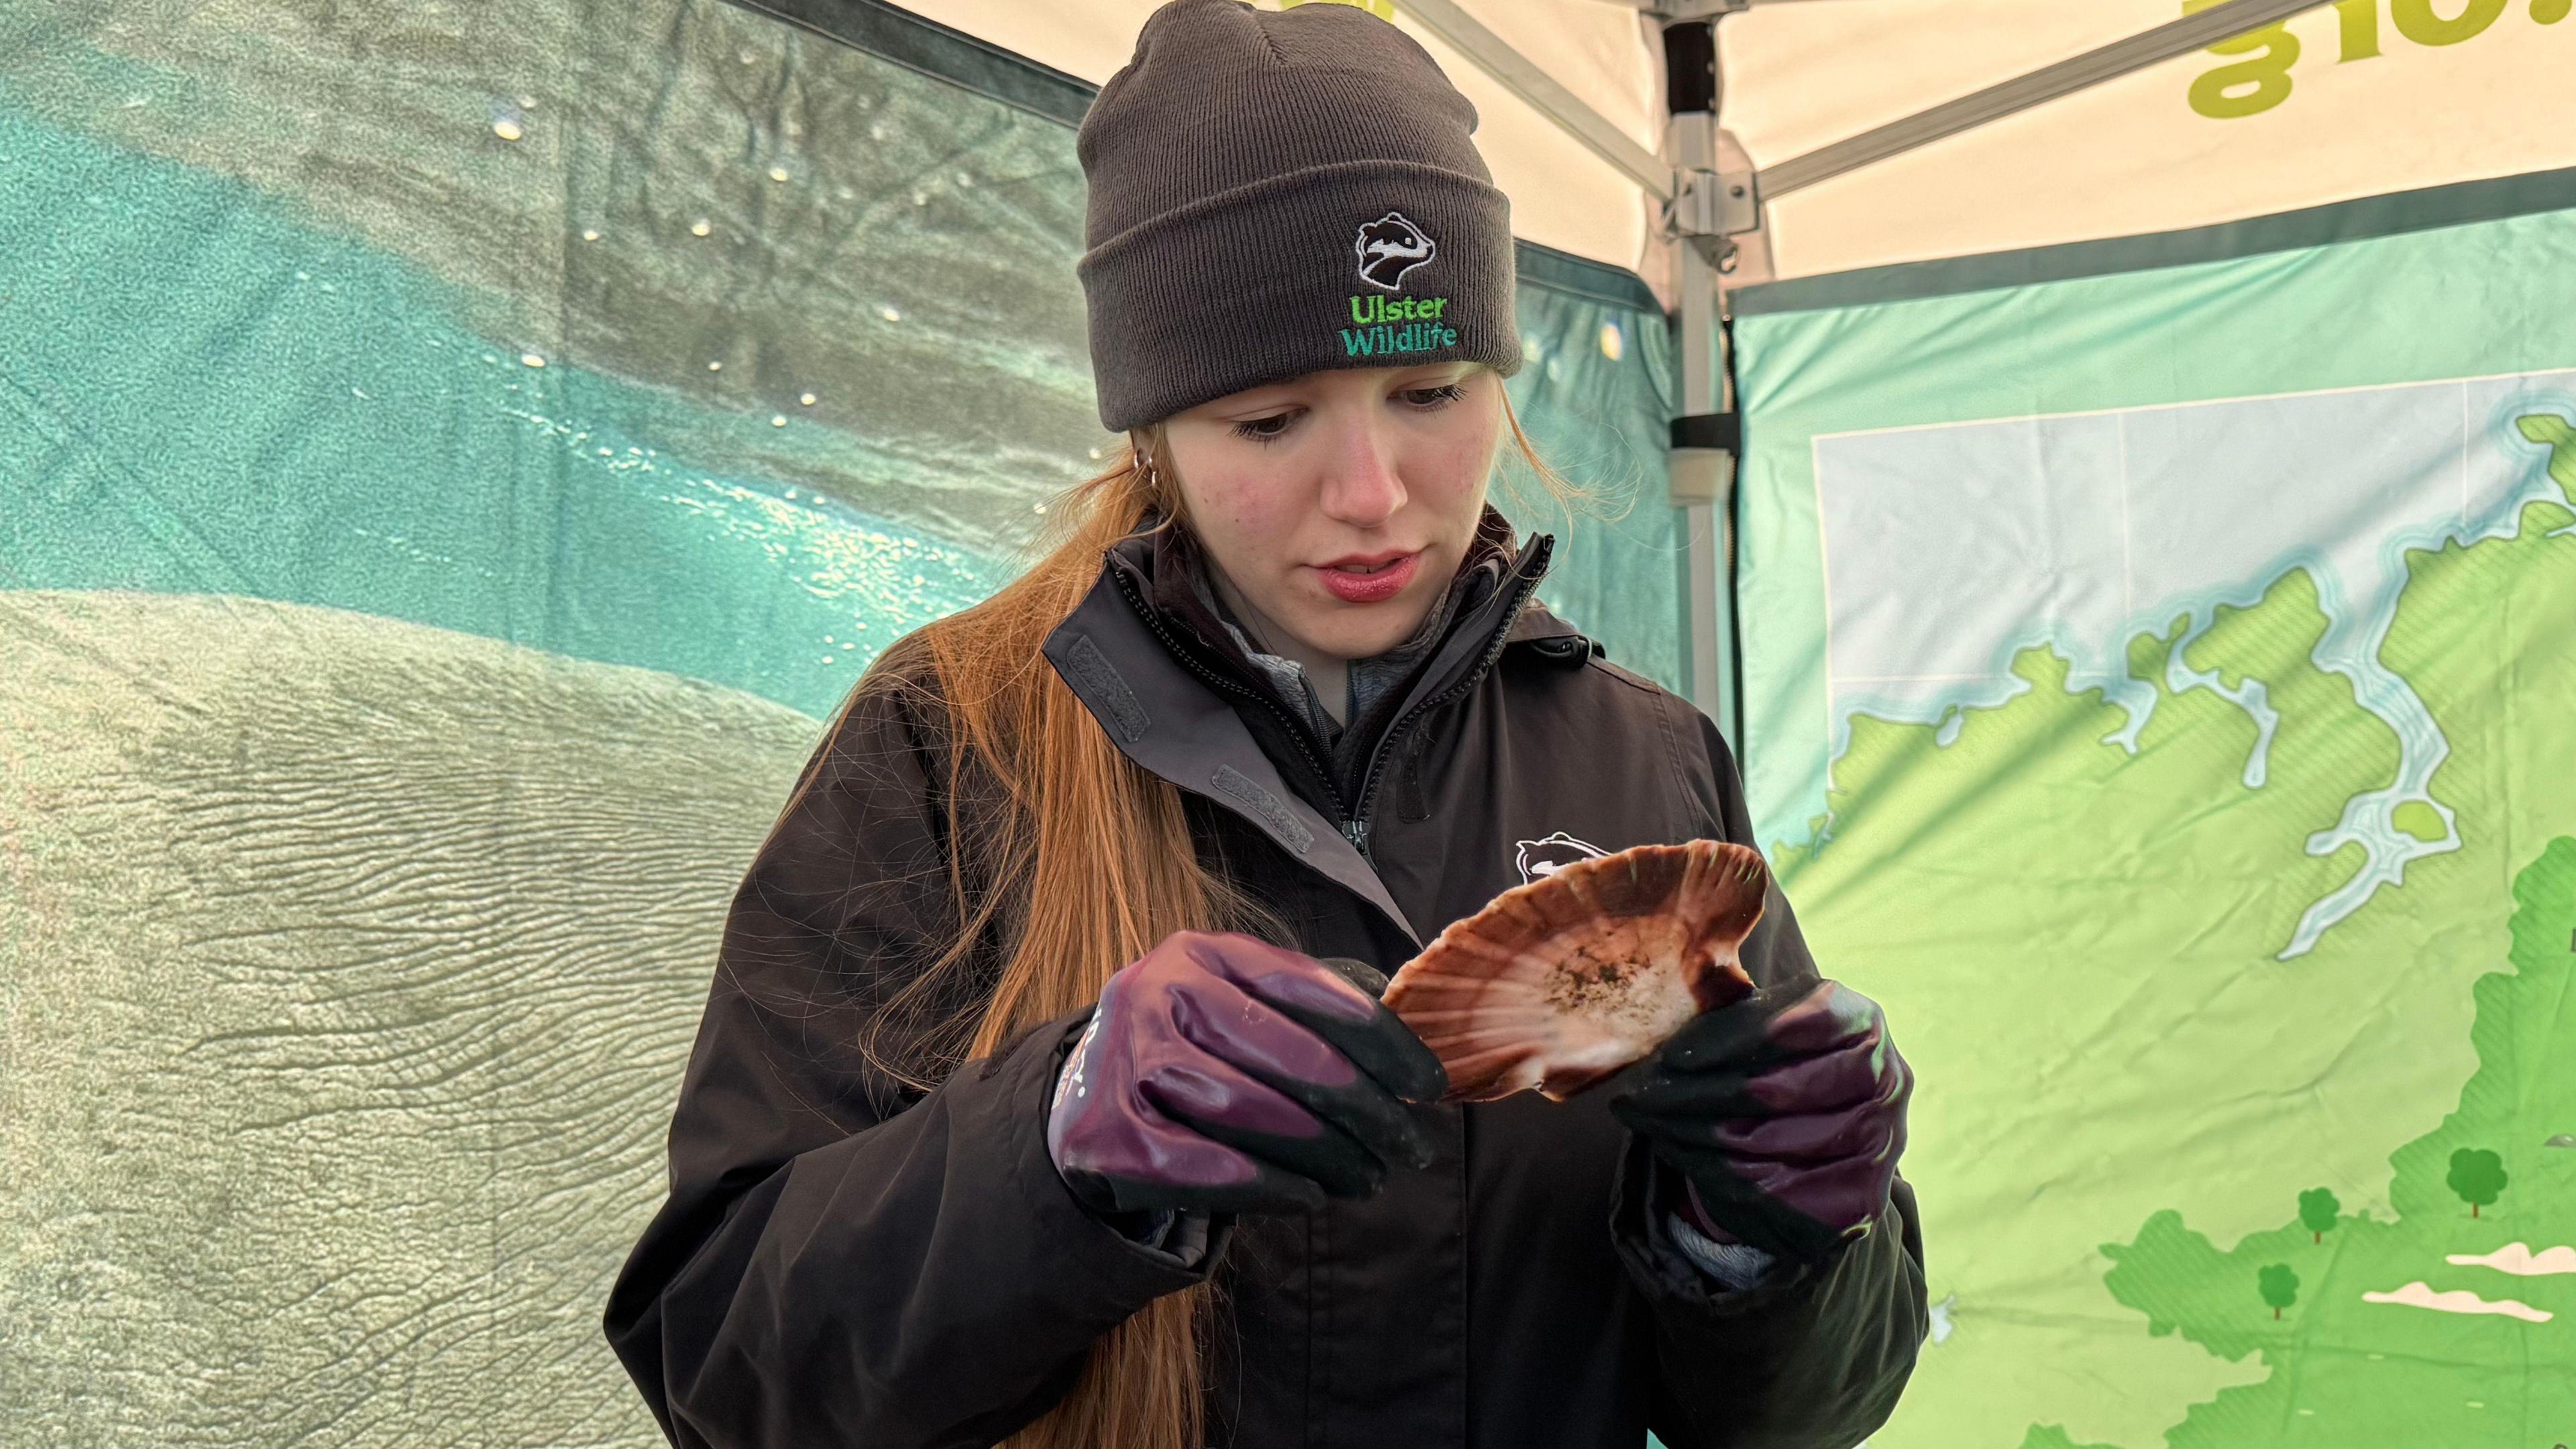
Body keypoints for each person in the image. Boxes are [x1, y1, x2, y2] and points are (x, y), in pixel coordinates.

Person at [601, 3, 1925, 1446]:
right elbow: (727, 1367)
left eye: (1430, 390)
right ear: (1150, 427)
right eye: (1268, 418)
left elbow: (1801, 1419)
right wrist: (1049, 1150)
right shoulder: (950, 741)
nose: (1372, 491)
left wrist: (1779, 1243)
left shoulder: (1648, 761)